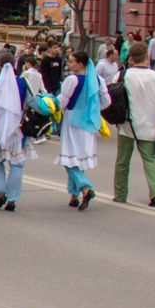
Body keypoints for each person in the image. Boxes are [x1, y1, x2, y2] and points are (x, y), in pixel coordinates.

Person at [115, 51, 155, 205]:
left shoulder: (123, 75)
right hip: (149, 125)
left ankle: (120, 194)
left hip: (127, 125)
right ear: (147, 58)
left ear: (131, 59)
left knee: (122, 161)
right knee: (150, 159)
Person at [55, 47, 102, 209]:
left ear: (80, 64)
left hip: (73, 121)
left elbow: (62, 102)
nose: (69, 63)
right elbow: (106, 101)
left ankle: (85, 187)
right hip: (89, 122)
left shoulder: (72, 80)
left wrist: (49, 106)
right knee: (78, 158)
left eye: (71, 61)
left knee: (69, 158)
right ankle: (73, 195)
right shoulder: (97, 79)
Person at [0, 60, 26, 210]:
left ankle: (0, 191)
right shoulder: (22, 83)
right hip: (17, 129)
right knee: (16, 162)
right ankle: (12, 198)